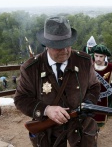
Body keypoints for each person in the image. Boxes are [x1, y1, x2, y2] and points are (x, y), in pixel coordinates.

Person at [14, 16, 100, 147]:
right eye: (59, 47)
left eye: (68, 45)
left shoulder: (84, 61)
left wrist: (89, 102)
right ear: (47, 45)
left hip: (81, 129)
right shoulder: (31, 68)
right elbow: (21, 99)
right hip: (49, 133)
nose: (65, 51)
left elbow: (94, 86)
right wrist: (46, 110)